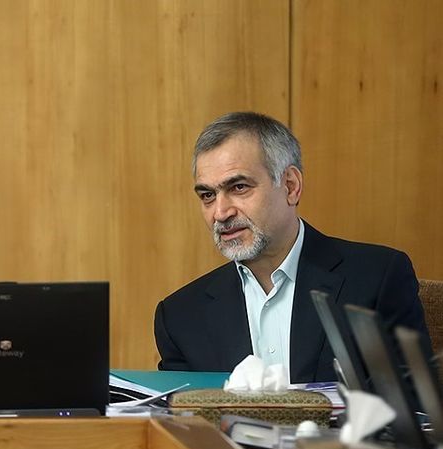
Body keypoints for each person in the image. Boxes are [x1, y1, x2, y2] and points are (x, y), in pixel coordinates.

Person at [154, 111, 431, 383]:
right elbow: (177, 412)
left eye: (238, 187)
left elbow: (411, 398)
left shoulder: (377, 278)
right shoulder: (180, 317)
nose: (220, 212)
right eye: (207, 195)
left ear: (290, 186)